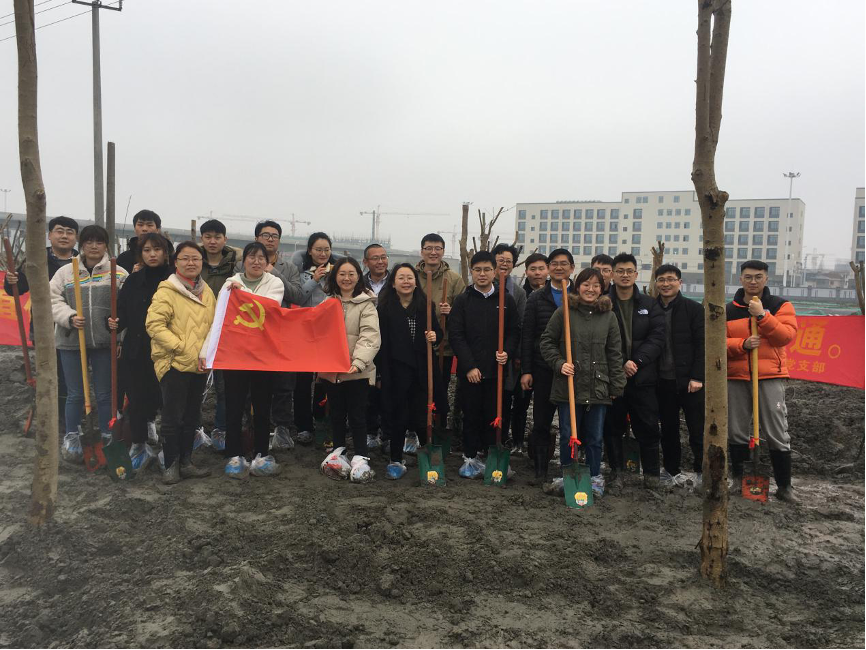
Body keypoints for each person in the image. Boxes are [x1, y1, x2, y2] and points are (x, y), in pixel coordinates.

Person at [540, 267, 626, 497]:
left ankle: (594, 476)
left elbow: (614, 353)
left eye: (596, 285)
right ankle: (568, 473)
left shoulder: (609, 316)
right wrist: (559, 363)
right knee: (569, 435)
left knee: (595, 437)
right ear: (577, 287)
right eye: (586, 284)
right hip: (569, 385)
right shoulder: (564, 312)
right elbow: (546, 342)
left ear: (602, 288)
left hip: (598, 386)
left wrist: (616, 385)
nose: (591, 289)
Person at [50, 225, 127, 460]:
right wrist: (69, 317)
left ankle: (107, 434)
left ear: (106, 245)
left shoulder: (118, 273)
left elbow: (126, 305)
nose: (94, 246)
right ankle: (72, 435)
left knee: (104, 393)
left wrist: (119, 329)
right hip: (71, 340)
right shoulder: (66, 272)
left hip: (105, 342)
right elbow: (52, 299)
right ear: (81, 244)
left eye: (99, 242)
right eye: (89, 242)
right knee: (75, 393)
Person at [726, 260, 798, 503]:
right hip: (736, 376)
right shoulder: (728, 310)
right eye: (748, 277)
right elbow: (716, 341)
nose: (753, 281)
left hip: (769, 376)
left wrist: (762, 316)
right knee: (736, 429)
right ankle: (738, 480)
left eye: (758, 277)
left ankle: (785, 487)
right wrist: (741, 344)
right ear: (740, 279)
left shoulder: (780, 306)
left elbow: (784, 337)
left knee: (776, 430)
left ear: (766, 279)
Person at [146, 241, 216, 484]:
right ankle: (170, 464)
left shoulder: (207, 292)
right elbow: (154, 325)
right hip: (174, 363)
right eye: (185, 258)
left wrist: (206, 352)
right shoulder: (167, 291)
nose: (191, 263)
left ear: (202, 262)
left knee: (191, 417)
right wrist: (179, 346)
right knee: (172, 418)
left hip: (199, 365)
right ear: (176, 262)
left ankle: (186, 462)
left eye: (195, 258)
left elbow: (213, 326)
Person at [448, 251, 519, 479]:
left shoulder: (505, 300)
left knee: (495, 414)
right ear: (471, 272)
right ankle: (470, 456)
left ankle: (492, 456)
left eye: (487, 269)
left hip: (496, 370)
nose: (482, 274)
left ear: (495, 271)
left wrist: (507, 352)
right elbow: (456, 335)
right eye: (477, 270)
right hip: (471, 371)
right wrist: (469, 366)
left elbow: (514, 331)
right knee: (471, 414)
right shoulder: (463, 301)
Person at [5, 215, 78, 434]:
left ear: (75, 238)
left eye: (69, 232)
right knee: (48, 374)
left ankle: (68, 419)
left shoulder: (81, 260)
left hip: (74, 328)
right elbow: (17, 288)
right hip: (43, 328)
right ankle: (50, 416)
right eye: (59, 231)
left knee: (70, 377)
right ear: (50, 235)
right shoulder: (36, 259)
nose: (64, 236)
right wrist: (11, 281)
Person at [375, 263, 447, 479]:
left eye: (410, 278)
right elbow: (380, 344)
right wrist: (381, 373)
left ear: (416, 282)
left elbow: (438, 333)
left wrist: (435, 336)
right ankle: (396, 460)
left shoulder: (426, 305)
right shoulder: (384, 308)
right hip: (396, 371)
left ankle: (430, 459)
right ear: (393, 283)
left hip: (422, 371)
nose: (406, 282)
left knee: (423, 417)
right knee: (398, 417)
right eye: (401, 278)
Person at [237, 220, 303, 451]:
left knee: (284, 383)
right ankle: (250, 425)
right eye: (265, 235)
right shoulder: (241, 266)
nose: (270, 239)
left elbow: (297, 295)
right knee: (250, 384)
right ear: (257, 238)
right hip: (251, 334)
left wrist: (273, 272)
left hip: (281, 334)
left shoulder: (289, 268)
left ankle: (282, 428)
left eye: (275, 236)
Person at [108, 233, 172, 471]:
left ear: (166, 253)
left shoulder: (174, 280)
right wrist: (113, 322)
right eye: (146, 250)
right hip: (136, 350)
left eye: (157, 249)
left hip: (167, 351)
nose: (152, 254)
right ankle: (139, 444)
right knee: (136, 399)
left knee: (167, 401)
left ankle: (169, 448)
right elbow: (122, 313)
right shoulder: (133, 280)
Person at [222, 242, 285, 479]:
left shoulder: (274, 283)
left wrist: (241, 294)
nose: (256, 261)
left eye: (261, 258)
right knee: (234, 405)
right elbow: (221, 315)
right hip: (235, 354)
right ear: (243, 260)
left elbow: (269, 307)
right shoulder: (230, 283)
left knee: (262, 405)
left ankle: (261, 453)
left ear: (268, 262)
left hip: (263, 355)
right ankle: (234, 454)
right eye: (251, 257)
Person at [318, 257, 381, 483]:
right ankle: (339, 451)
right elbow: (316, 332)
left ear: (358, 276)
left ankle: (361, 455)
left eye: (351, 274)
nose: (346, 278)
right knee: (336, 413)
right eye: (342, 274)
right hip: (331, 371)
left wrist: (359, 362)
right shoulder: (327, 303)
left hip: (357, 371)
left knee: (357, 415)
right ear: (335, 277)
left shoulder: (366, 304)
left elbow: (370, 336)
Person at [606, 253, 665, 490]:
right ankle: (616, 472)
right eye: (620, 271)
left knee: (648, 426)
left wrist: (636, 361)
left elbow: (658, 337)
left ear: (636, 274)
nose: (625, 275)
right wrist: (621, 362)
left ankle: (651, 474)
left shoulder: (650, 304)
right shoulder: (603, 303)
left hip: (643, 378)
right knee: (612, 427)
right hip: (613, 377)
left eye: (629, 271)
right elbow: (600, 339)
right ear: (612, 274)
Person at [520, 248, 574, 481]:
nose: (559, 268)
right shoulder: (536, 298)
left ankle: (569, 467)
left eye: (564, 264)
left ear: (572, 268)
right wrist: (526, 370)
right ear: (549, 268)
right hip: (543, 369)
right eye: (554, 264)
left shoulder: (579, 295)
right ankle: (540, 469)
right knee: (541, 421)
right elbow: (527, 335)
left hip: (572, 370)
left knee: (570, 422)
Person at [654, 264, 705, 487]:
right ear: (656, 283)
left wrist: (698, 376)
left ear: (680, 283)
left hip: (690, 381)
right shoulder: (651, 308)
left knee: (697, 429)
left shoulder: (693, 309)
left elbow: (702, 344)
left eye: (671, 279)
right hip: (662, 381)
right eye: (661, 280)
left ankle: (702, 471)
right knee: (668, 429)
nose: (666, 284)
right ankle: (671, 470)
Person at [290, 232, 338, 445]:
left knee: (324, 380)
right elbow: (298, 298)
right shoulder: (301, 273)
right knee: (302, 382)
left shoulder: (337, 272)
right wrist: (314, 279)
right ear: (310, 251)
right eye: (318, 249)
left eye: (326, 249)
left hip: (328, 334)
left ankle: (321, 420)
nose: (322, 253)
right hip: (305, 334)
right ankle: (303, 426)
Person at [416, 233, 467, 430]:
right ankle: (418, 427)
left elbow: (465, 311)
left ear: (443, 251)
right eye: (429, 248)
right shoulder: (412, 276)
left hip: (443, 347)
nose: (433, 252)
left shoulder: (454, 279)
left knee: (440, 388)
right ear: (422, 251)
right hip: (416, 346)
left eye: (437, 248)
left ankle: (438, 427)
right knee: (417, 388)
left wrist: (452, 311)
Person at [199, 218, 237, 449]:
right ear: (201, 239)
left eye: (217, 237)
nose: (212, 241)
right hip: (197, 330)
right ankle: (194, 429)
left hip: (226, 333)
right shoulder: (193, 262)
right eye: (208, 237)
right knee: (196, 384)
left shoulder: (234, 266)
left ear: (225, 239)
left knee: (224, 387)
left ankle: (221, 429)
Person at [491, 243, 526, 452]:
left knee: (504, 400)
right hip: (485, 353)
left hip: (507, 355)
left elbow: (519, 326)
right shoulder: (482, 286)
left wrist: (513, 353)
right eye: (501, 260)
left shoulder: (518, 293)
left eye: (509, 261)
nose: (504, 264)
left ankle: (501, 440)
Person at [362, 243, 391, 451]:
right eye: (375, 258)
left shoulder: (396, 282)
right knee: (368, 388)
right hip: (366, 341)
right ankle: (370, 431)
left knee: (389, 388)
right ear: (366, 262)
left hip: (390, 342)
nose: (380, 262)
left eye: (383, 257)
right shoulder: (359, 284)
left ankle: (388, 432)